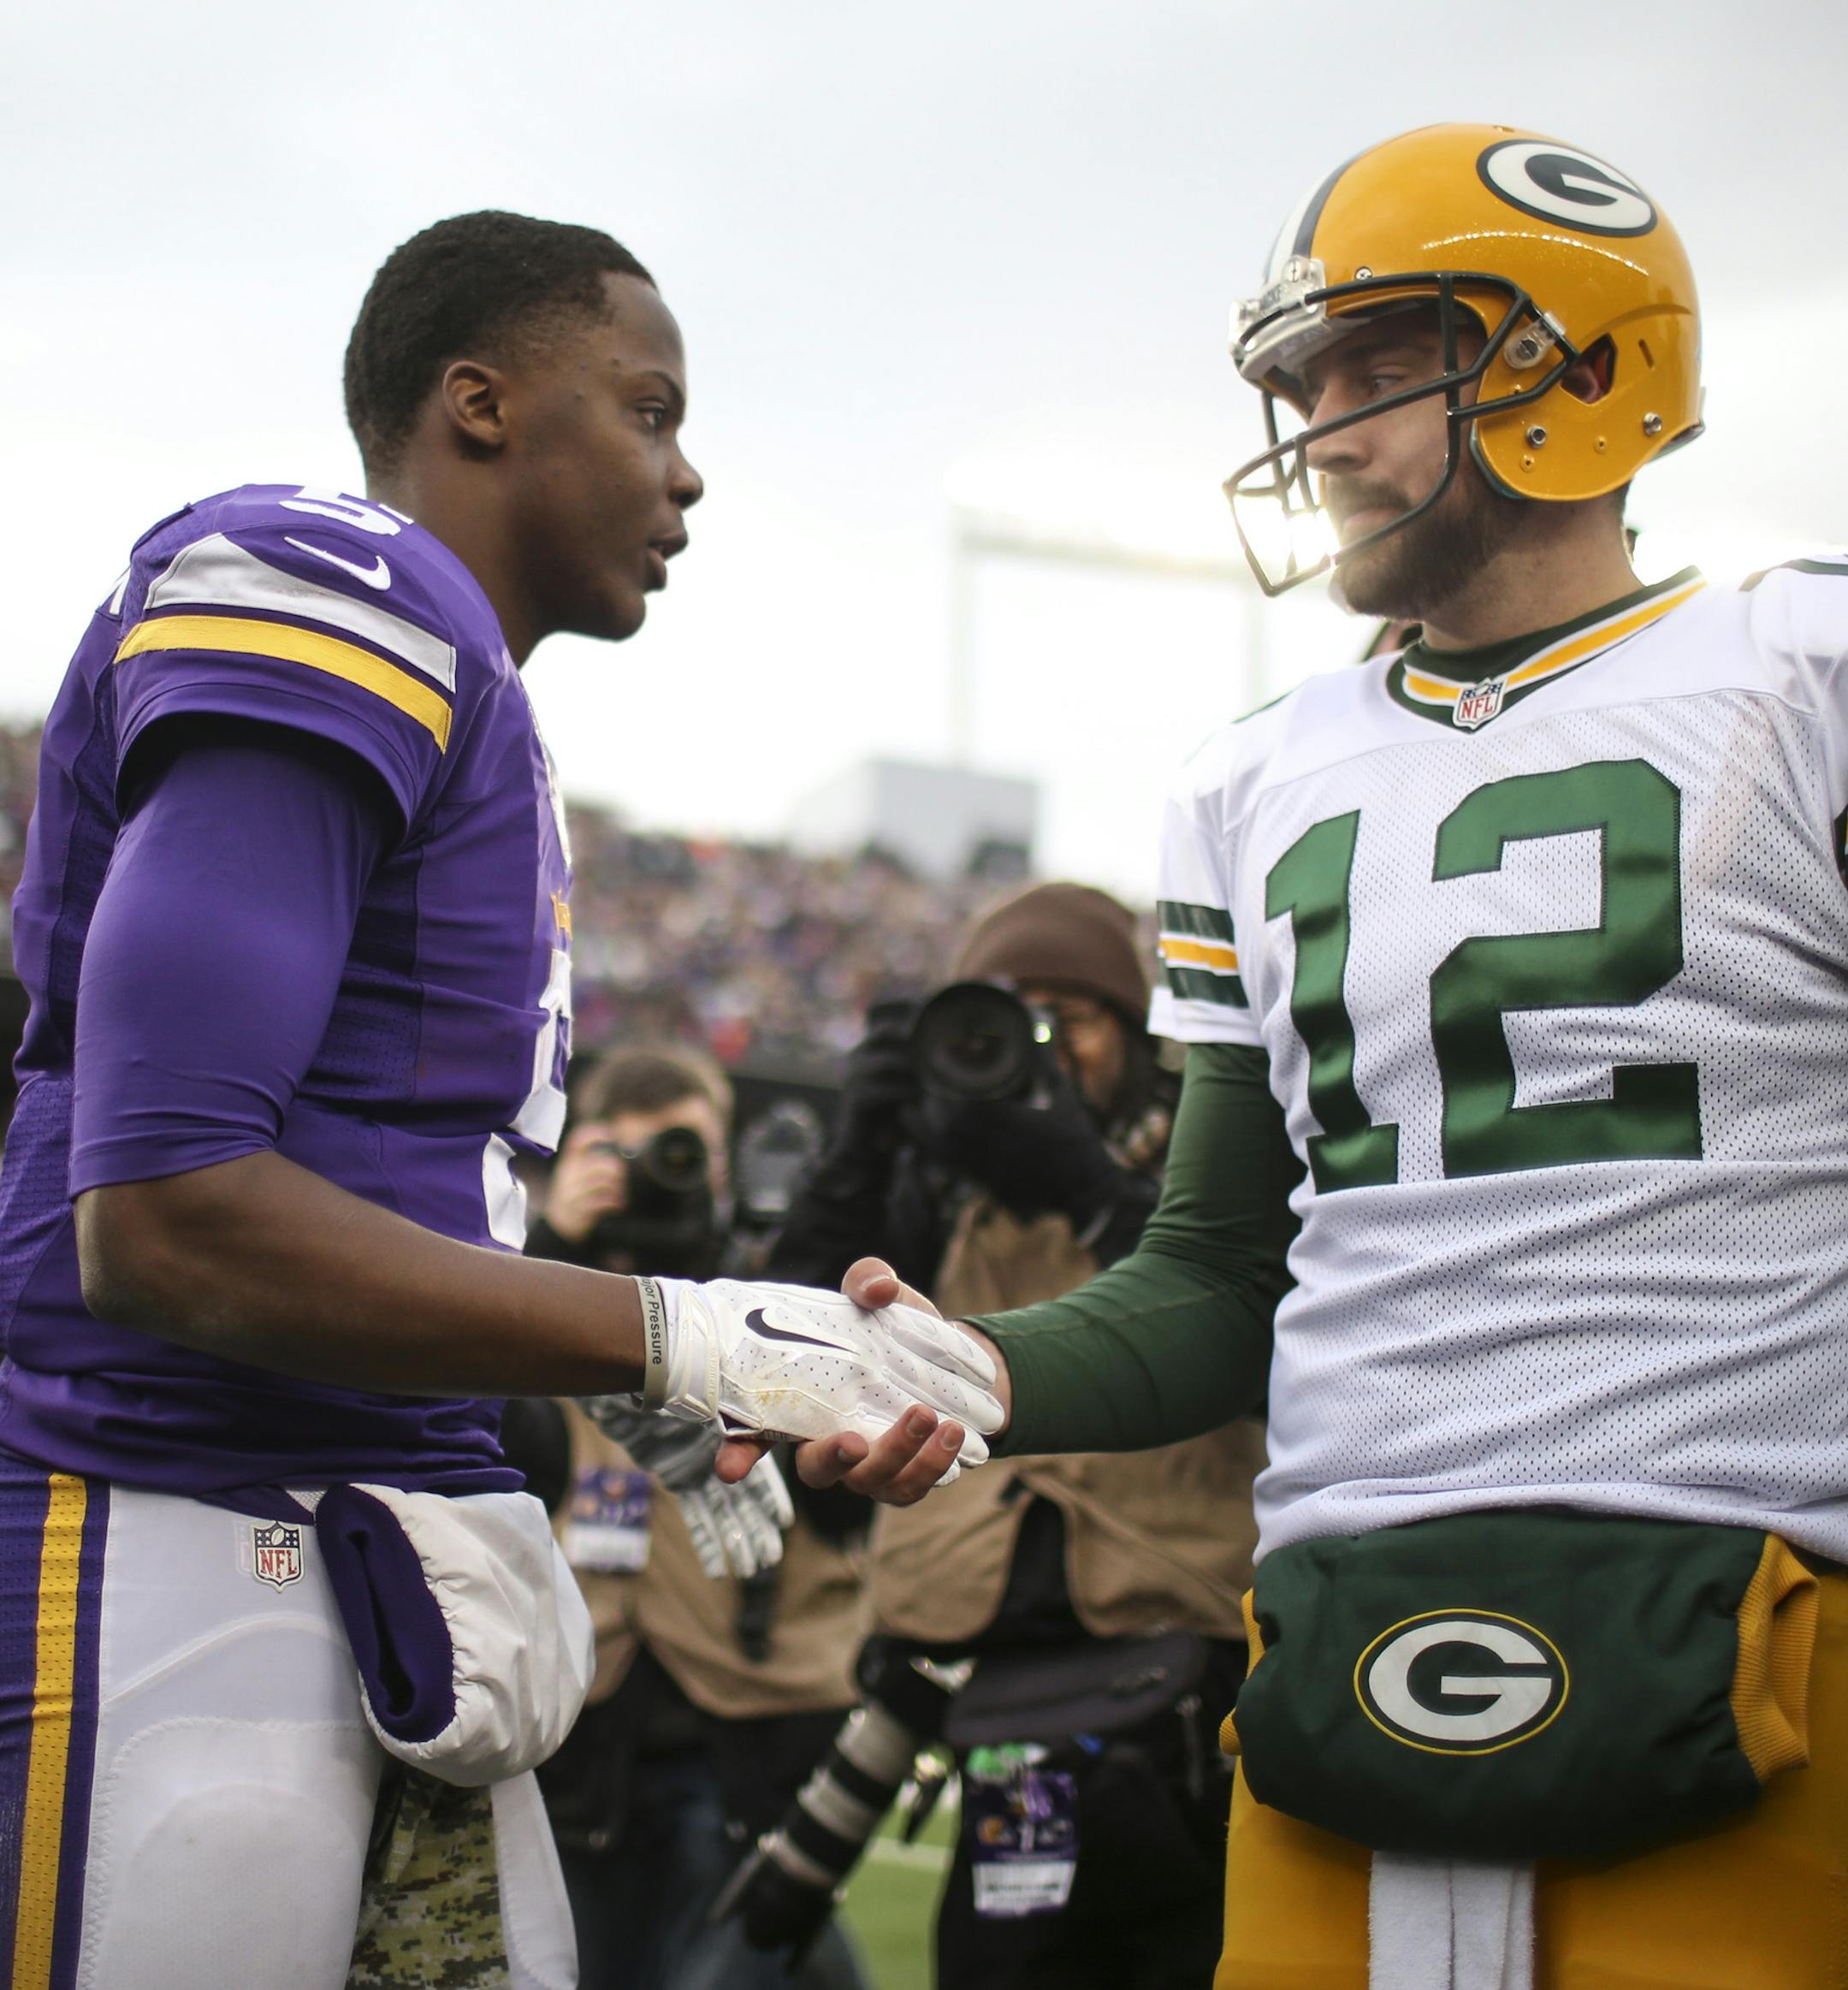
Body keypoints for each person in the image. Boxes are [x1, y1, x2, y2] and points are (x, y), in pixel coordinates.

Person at [779, 123, 1848, 1988]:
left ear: (1572, 360)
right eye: (1301, 380)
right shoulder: (1250, 778)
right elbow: (1211, 1273)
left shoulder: (1802, 673)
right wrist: (986, 1365)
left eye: (1376, 365)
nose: (1325, 426)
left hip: (1747, 1592)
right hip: (1341, 1615)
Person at [0, 210, 1000, 1990]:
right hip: (165, 1528)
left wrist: (585, 1355)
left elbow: (363, 1179)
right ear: (479, 402)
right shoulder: (335, 579)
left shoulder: (477, 702)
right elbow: (162, 1210)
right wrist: (665, 1328)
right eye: (648, 407)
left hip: (354, 1542)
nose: (686, 475)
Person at [762, 880, 1260, 1989]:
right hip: (993, 1694)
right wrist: (865, 1136)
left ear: (1137, 1037)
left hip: (1190, 1671)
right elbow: (787, 1372)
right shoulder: (941, 1191)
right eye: (1008, 1016)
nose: (1038, 1044)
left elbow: (1257, 1323)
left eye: (1069, 1016)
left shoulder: (1209, 1164)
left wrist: (1080, 1182)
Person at [518, 1044, 871, 1990]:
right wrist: (550, 1244)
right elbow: (479, 1427)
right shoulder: (538, 1296)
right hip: (590, 1729)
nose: (654, 1177)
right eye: (622, 1154)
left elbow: (836, 1492)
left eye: (680, 1152)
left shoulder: (775, 1287)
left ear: (724, 1163)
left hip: (748, 1719)